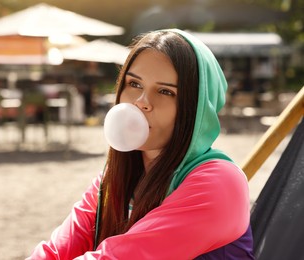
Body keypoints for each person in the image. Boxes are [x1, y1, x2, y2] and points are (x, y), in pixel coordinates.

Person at [26, 29, 254, 259]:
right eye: (134, 84)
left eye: (165, 91)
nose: (142, 102)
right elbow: (55, 252)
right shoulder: (112, 181)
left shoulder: (220, 182)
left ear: (197, 110)